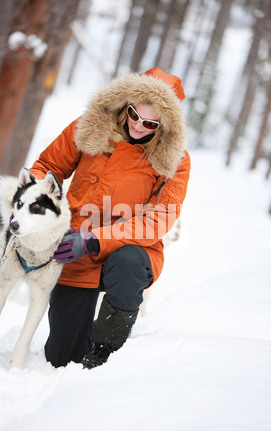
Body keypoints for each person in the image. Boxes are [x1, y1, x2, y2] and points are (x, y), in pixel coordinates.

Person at [29, 67, 191, 369]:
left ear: (165, 124)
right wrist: (37, 208)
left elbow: (159, 220)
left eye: (150, 123)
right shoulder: (91, 126)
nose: (139, 126)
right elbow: (47, 167)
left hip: (128, 249)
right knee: (62, 358)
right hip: (73, 246)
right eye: (134, 115)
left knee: (128, 264)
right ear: (125, 103)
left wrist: (95, 239)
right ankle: (79, 343)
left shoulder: (175, 160)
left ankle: (106, 347)